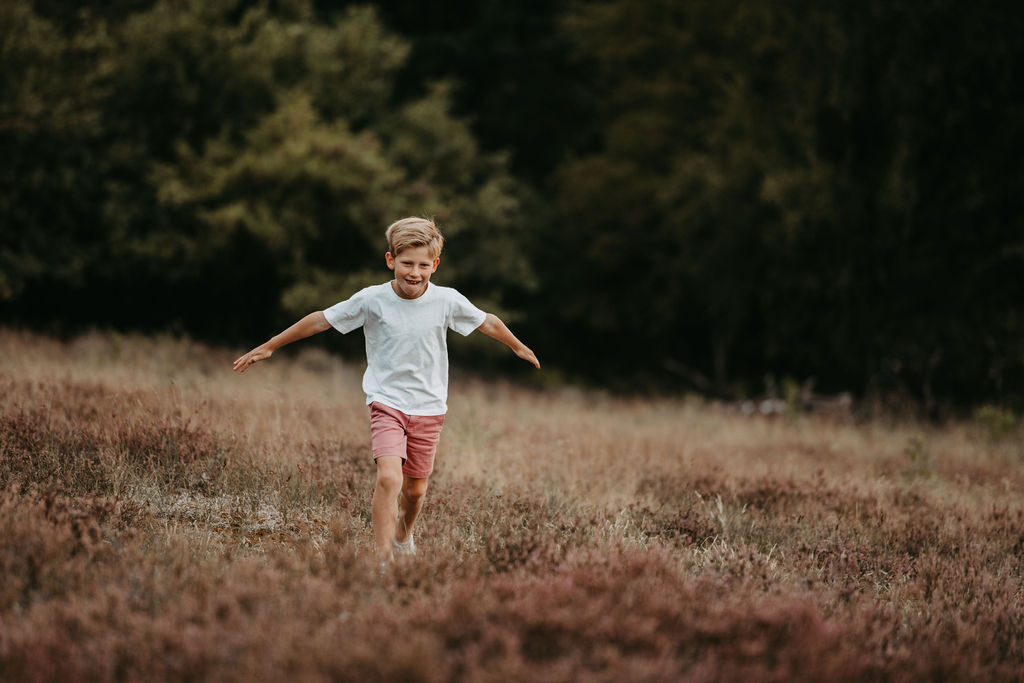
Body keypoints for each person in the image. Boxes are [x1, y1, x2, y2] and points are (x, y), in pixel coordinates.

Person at [233, 217, 540, 562]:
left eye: (423, 265)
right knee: (389, 480)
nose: (414, 272)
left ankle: (403, 538)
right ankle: (381, 562)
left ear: (435, 265)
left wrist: (517, 346)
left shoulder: (447, 300)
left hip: (429, 407)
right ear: (390, 260)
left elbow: (488, 321)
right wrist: (271, 345)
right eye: (407, 263)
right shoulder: (372, 299)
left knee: (415, 490)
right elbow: (321, 319)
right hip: (386, 402)